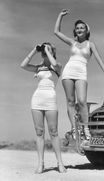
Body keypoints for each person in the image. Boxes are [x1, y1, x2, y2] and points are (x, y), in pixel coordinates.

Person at [54, 9, 104, 140]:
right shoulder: (72, 42)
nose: (79, 29)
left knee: (81, 101)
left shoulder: (90, 44)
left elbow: (98, 58)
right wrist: (60, 16)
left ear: (87, 31)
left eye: (82, 28)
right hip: (68, 72)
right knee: (70, 102)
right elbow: (56, 32)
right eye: (77, 28)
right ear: (75, 31)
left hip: (81, 73)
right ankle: (74, 129)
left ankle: (85, 128)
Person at [20, 43, 66, 173]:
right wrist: (35, 50)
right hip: (37, 100)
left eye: (49, 49)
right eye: (44, 49)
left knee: (54, 132)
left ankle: (60, 163)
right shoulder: (38, 68)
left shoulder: (57, 66)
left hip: (50, 100)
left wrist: (48, 50)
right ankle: (41, 164)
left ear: (53, 52)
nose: (45, 51)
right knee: (39, 132)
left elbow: (55, 64)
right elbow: (23, 65)